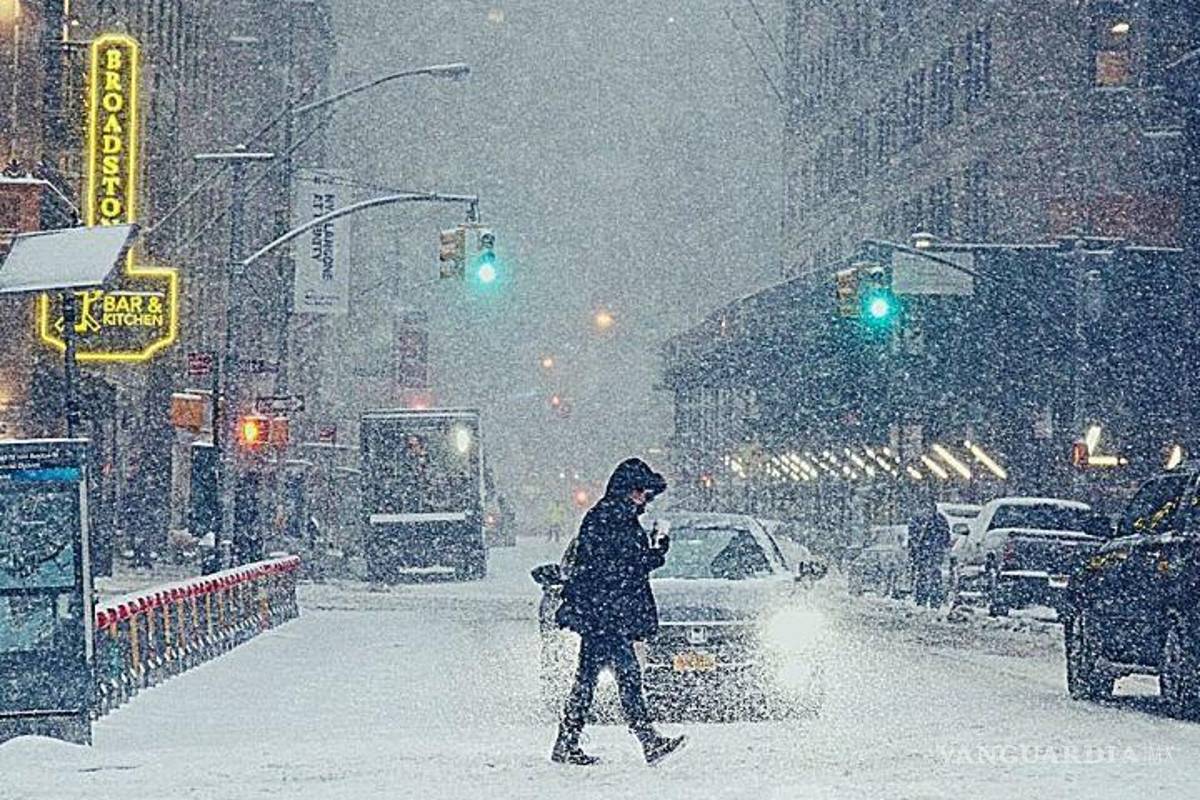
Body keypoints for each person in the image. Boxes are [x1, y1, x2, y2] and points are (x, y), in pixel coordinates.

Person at [551, 458, 687, 766]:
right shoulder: (613, 517)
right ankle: (647, 740)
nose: (644, 498)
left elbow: (618, 563)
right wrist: (656, 554)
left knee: (588, 680)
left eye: (646, 492)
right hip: (606, 613)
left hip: (601, 612)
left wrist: (652, 553)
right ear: (626, 490)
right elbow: (622, 566)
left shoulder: (612, 515)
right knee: (626, 675)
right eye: (640, 491)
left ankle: (568, 740)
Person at [908, 498, 951, 607]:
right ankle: (922, 600)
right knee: (923, 575)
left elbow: (946, 536)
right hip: (923, 553)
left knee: (934, 576)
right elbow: (912, 537)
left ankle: (934, 601)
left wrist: (938, 547)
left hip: (933, 552)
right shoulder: (917, 520)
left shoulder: (939, 520)